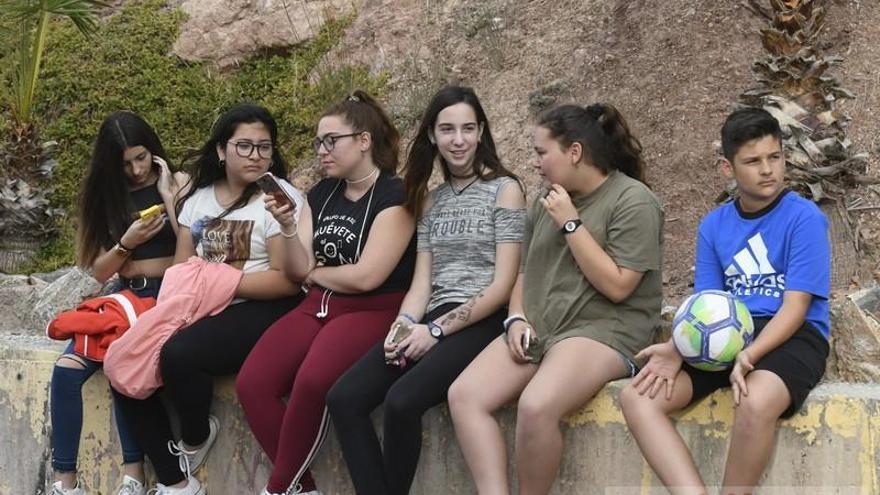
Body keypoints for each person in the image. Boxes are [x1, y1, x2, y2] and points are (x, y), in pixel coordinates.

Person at [448, 103, 663, 494]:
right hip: (545, 326)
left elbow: (618, 286)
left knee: (536, 405)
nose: (536, 163)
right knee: (465, 396)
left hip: (604, 330)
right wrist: (515, 318)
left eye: (541, 152)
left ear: (574, 152)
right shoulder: (547, 199)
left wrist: (570, 222)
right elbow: (527, 271)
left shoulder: (634, 200)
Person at [326, 86, 526, 495]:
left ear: (481, 131)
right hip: (431, 318)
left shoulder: (505, 190)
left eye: (468, 129)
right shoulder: (430, 201)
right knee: (344, 398)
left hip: (483, 319)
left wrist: (434, 332)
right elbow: (422, 282)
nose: (458, 140)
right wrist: (403, 325)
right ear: (433, 136)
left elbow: (504, 283)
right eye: (448, 129)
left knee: (402, 401)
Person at [620, 107, 830, 495]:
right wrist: (676, 347)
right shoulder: (714, 225)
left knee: (754, 400)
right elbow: (708, 305)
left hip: (793, 334)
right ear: (727, 168)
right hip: (726, 333)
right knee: (637, 399)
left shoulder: (805, 218)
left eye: (774, 157)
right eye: (752, 161)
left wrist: (751, 356)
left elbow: (797, 306)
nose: (767, 169)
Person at [110, 104, 305, 495]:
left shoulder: (277, 200)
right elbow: (183, 270)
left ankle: (195, 438)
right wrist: (199, 288)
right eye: (245, 146)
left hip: (262, 307)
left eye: (264, 147)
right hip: (200, 304)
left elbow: (286, 282)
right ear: (221, 150)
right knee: (124, 360)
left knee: (180, 354)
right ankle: (176, 481)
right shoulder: (198, 201)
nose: (255, 156)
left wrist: (220, 280)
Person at [235, 90, 417, 495]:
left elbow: (369, 276)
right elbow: (298, 270)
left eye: (331, 140)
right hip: (317, 305)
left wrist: (316, 273)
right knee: (253, 382)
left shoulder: (396, 195)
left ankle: (279, 487)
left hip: (372, 309)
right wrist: (287, 228)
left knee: (313, 381)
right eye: (318, 141)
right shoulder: (320, 194)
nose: (321, 150)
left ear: (364, 141)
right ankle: (302, 488)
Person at [50, 111, 186, 495]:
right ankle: (65, 482)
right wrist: (128, 240)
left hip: (167, 294)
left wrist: (169, 200)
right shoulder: (104, 196)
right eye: (126, 163)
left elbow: (195, 251)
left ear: (153, 151)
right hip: (124, 296)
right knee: (66, 370)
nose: (138, 170)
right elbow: (96, 270)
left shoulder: (176, 182)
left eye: (142, 157)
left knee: (121, 368)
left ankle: (133, 477)